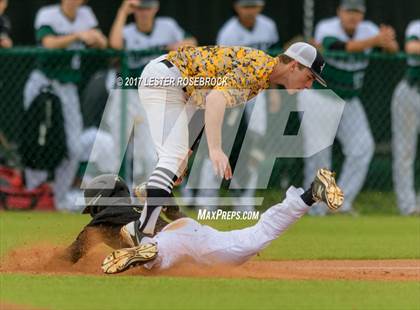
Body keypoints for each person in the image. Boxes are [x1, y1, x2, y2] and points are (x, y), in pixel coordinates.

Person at [121, 41, 327, 245]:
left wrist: (189, 150)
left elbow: (204, 102)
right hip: (168, 79)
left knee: (175, 162)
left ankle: (152, 191)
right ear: (293, 66)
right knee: (172, 158)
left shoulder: (262, 74)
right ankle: (140, 230)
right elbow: (214, 101)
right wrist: (215, 149)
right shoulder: (259, 69)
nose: (309, 85)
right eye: (309, 77)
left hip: (182, 85)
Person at [102, 168, 344, 274]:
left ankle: (146, 251)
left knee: (157, 259)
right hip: (189, 231)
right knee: (258, 234)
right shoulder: (144, 210)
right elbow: (177, 217)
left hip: (179, 240)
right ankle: (311, 194)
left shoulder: (111, 221)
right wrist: (159, 198)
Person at [298, 0, 398, 216]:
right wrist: (376, 40)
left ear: (362, 14)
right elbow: (337, 46)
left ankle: (339, 203)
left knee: (363, 148)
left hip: (349, 100)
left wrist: (387, 42)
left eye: (357, 11)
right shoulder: (327, 27)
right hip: (320, 97)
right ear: (339, 12)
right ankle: (313, 209)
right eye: (348, 11)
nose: (352, 16)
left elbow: (393, 50)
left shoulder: (368, 30)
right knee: (319, 155)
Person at [190, 0, 280, 211]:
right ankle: (206, 199)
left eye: (253, 6)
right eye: (246, 6)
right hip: (231, 91)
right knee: (220, 143)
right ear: (237, 8)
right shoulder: (229, 32)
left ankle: (245, 199)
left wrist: (274, 91)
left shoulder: (268, 26)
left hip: (258, 92)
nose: (250, 10)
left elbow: (272, 63)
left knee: (256, 145)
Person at [22, 0, 107, 211]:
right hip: (43, 82)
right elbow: (48, 43)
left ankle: (60, 197)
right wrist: (78, 36)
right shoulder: (48, 13)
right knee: (37, 140)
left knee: (74, 146)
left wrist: (94, 38)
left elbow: (103, 43)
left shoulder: (86, 15)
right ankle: (34, 194)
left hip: (67, 86)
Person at [104, 0, 197, 183]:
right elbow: (114, 45)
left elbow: (192, 43)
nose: (143, 12)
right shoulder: (128, 31)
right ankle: (120, 194)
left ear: (155, 8)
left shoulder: (167, 26)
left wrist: (177, 45)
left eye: (147, 8)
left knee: (146, 152)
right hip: (128, 92)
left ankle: (148, 193)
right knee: (117, 148)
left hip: (153, 95)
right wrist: (123, 12)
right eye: (139, 9)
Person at [64, 174, 186, 263]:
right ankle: (167, 204)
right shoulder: (141, 210)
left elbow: (71, 254)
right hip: (186, 239)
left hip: (164, 252)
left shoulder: (105, 217)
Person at [391, 20, 420, 216]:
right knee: (404, 151)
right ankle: (408, 207)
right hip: (411, 92)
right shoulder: (416, 26)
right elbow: (412, 47)